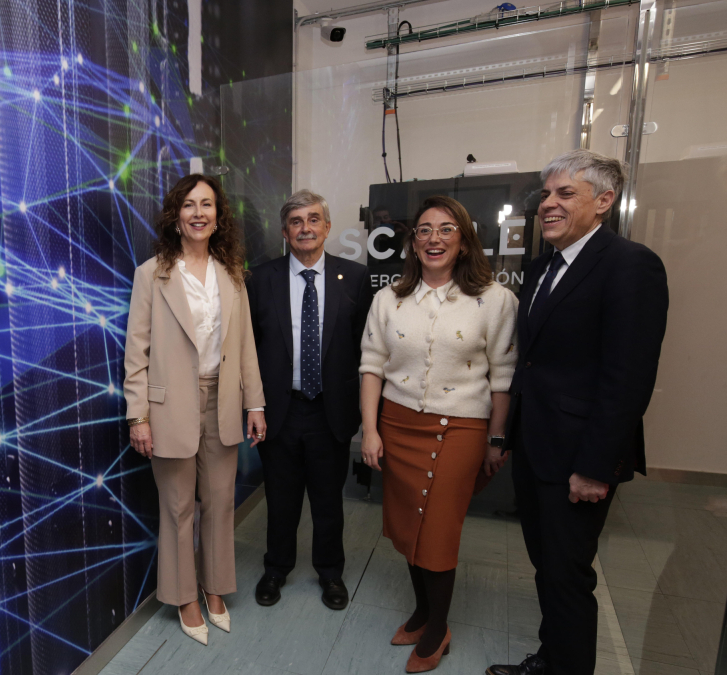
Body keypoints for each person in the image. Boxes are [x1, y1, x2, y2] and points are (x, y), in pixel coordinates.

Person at [487, 150, 668, 675]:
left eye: (565, 194)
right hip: (538, 447)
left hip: (578, 458)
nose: (549, 204)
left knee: (567, 576)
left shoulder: (631, 264)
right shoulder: (543, 265)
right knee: (549, 568)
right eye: (546, 194)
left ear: (604, 201)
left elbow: (628, 379)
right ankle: (552, 658)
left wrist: (595, 465)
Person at [360, 195, 519, 672]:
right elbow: (371, 367)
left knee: (439, 527)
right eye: (425, 230)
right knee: (411, 523)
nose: (434, 238)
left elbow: (503, 377)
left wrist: (495, 440)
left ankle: (438, 627)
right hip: (398, 424)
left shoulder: (496, 299)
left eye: (447, 229)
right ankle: (423, 610)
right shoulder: (389, 299)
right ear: (412, 243)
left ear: (465, 241)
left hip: (462, 428)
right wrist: (369, 430)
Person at [123, 174, 267, 646]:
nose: (199, 213)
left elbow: (245, 346)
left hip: (222, 401)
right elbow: (136, 351)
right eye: (190, 205)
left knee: (221, 502)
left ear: (218, 215)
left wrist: (256, 403)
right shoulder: (153, 274)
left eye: (207, 204)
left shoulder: (232, 273)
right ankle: (185, 596)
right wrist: (137, 415)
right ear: (176, 215)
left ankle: (216, 588)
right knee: (179, 507)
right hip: (169, 409)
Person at [245, 190, 374, 611]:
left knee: (327, 501)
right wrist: (254, 405)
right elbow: (250, 347)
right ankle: (276, 568)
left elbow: (363, 348)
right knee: (280, 499)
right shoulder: (260, 280)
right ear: (285, 232)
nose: (305, 228)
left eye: (313, 219)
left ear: (327, 226)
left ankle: (330, 574)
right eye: (296, 221)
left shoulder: (354, 278)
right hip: (279, 410)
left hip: (330, 411)